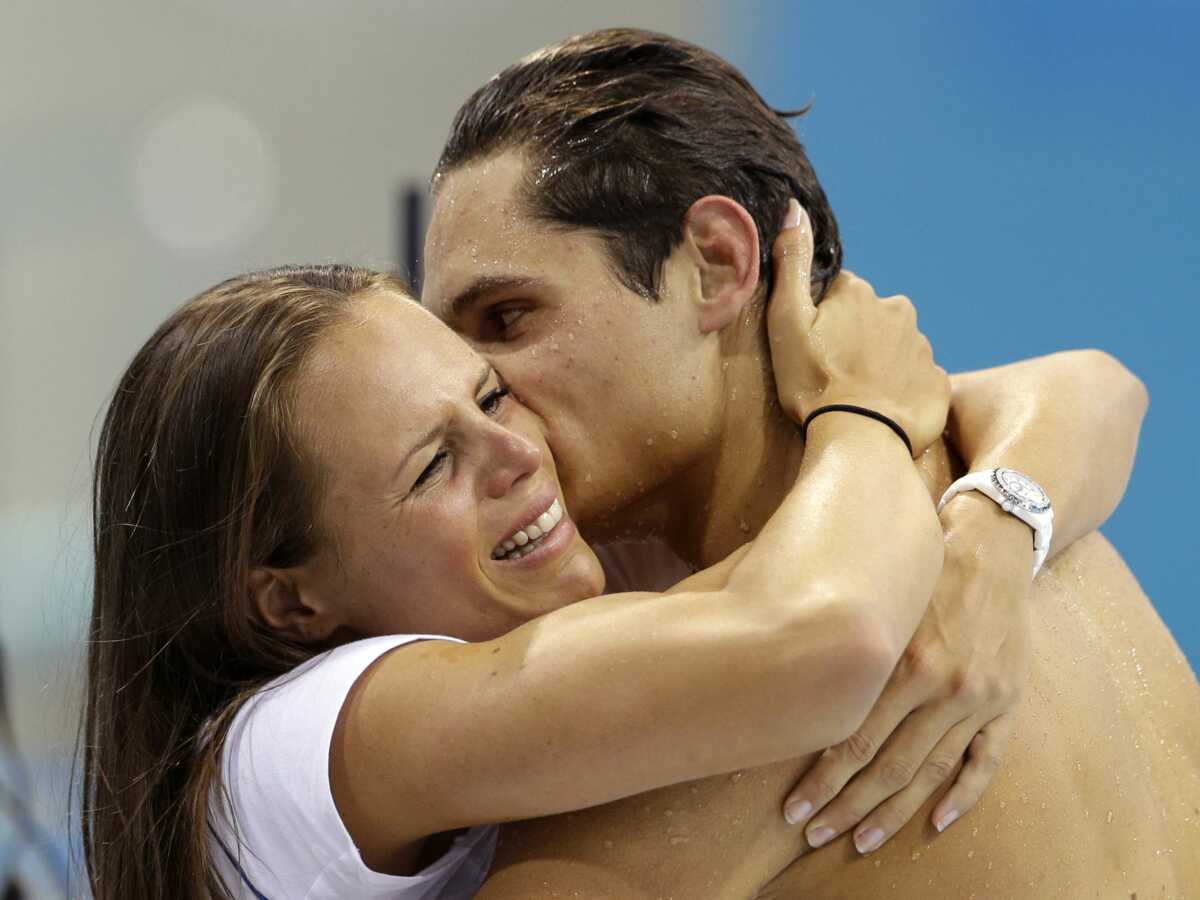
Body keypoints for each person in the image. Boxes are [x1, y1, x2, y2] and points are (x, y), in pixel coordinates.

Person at [421, 28, 1199, 897]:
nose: (476, 396)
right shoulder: (1034, 520)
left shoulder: (739, 711)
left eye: (507, 318)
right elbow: (1093, 385)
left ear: (716, 265)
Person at [82, 256, 966, 900]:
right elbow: (824, 637)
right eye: (433, 468)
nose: (517, 455)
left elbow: (1090, 391)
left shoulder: (491, 617)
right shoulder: (301, 737)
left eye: (492, 396)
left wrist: (1001, 527)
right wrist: (867, 414)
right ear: (291, 599)